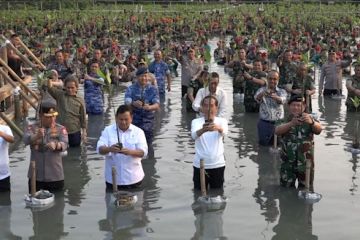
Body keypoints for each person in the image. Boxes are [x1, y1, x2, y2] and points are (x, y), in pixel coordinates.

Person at [275, 95, 322, 188]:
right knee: (285, 191)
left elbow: (319, 130)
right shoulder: (284, 119)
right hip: (288, 163)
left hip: (305, 164)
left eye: (298, 105)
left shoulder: (310, 118)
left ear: (303, 107)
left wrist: (312, 122)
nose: (296, 107)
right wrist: (291, 124)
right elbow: (277, 131)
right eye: (293, 105)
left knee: (306, 189)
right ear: (289, 106)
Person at [97, 105, 148, 191]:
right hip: (113, 181)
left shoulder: (139, 132)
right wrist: (110, 149)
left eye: (126, 119)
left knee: (135, 204)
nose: (123, 122)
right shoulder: (107, 130)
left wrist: (129, 152)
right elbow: (100, 149)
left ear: (131, 118)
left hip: (134, 180)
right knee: (112, 203)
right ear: (116, 118)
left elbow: (143, 152)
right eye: (121, 119)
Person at [23, 100, 68, 192]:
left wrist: (56, 145)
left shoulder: (60, 128)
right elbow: (25, 140)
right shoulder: (31, 128)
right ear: (40, 115)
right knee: (35, 202)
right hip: (36, 176)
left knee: (58, 203)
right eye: (48, 117)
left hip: (55, 175)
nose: (52, 119)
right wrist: (36, 136)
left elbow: (65, 143)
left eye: (54, 116)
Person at [191, 96, 228, 191]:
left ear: (216, 108)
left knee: (217, 193)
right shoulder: (196, 122)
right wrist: (203, 130)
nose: (208, 109)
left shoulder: (222, 121)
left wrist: (218, 128)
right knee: (198, 193)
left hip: (217, 164)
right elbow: (193, 136)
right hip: (200, 165)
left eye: (211, 106)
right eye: (206, 106)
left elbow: (224, 132)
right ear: (202, 108)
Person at [47, 74, 87, 147]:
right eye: (68, 87)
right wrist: (50, 79)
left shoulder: (80, 100)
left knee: (75, 152)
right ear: (64, 87)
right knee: (60, 151)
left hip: (74, 131)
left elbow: (83, 117)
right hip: (61, 131)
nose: (70, 90)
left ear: (76, 88)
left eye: (72, 88)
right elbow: (49, 88)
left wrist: (84, 132)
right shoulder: (60, 95)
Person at [125, 67, 160, 144]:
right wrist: (133, 103)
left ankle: (150, 156)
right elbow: (127, 101)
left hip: (148, 121)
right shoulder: (131, 89)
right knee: (134, 144)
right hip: (134, 121)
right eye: (141, 76)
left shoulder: (153, 89)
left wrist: (150, 107)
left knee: (149, 144)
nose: (144, 78)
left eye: (146, 76)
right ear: (137, 77)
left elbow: (157, 104)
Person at [254, 70, 287, 146]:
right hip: (264, 123)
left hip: (279, 123)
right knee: (263, 147)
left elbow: (283, 100)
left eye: (275, 79)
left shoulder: (282, 91)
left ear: (278, 80)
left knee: (279, 146)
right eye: (270, 79)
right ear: (267, 79)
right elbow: (256, 98)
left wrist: (277, 98)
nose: (272, 81)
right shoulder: (261, 90)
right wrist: (263, 94)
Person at [0, 124, 14, 192]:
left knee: (5, 200)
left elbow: (12, 139)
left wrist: (1, 134)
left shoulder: (5, 128)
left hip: (4, 175)